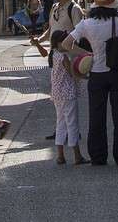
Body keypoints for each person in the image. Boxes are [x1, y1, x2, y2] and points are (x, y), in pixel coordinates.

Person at [62, 0, 118, 166]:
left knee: (96, 117)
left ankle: (98, 156)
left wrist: (86, 54)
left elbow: (66, 43)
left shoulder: (86, 24)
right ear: (112, 5)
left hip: (96, 74)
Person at [40, 29, 85, 165]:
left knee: (60, 124)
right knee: (72, 124)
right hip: (68, 93)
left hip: (57, 93)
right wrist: (84, 75)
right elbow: (72, 73)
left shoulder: (54, 54)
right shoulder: (63, 56)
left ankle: (60, 156)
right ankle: (77, 156)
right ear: (59, 42)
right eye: (65, 41)